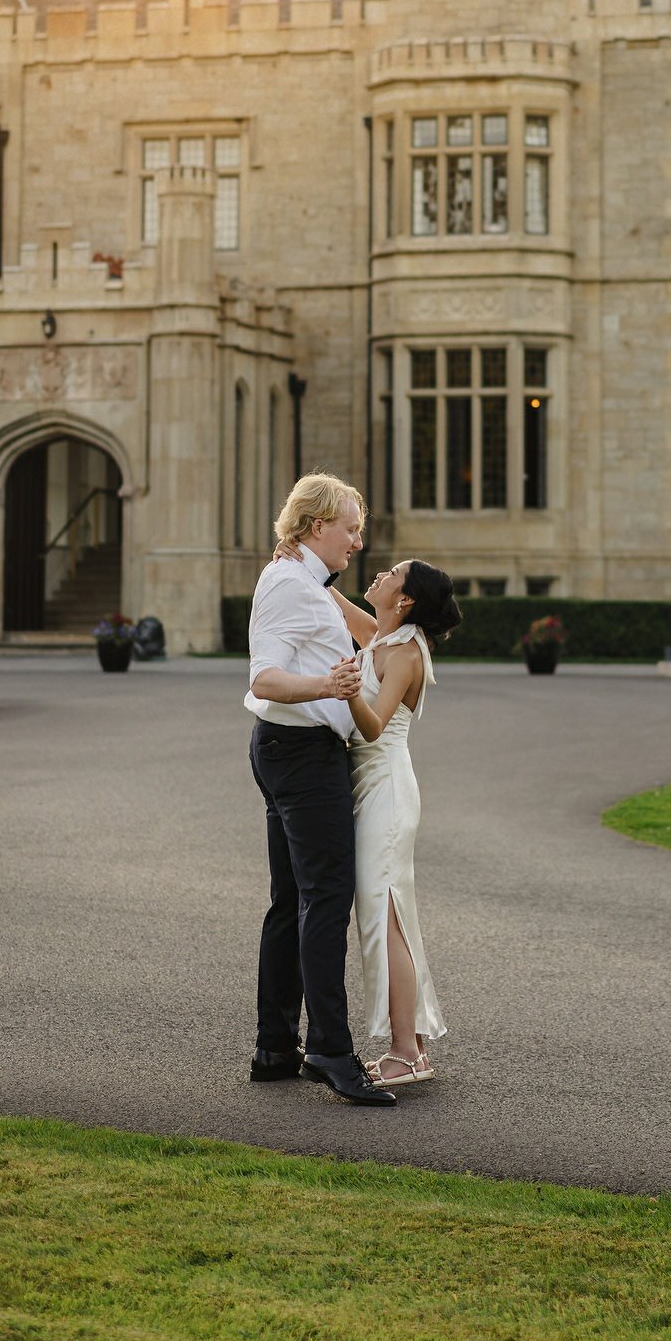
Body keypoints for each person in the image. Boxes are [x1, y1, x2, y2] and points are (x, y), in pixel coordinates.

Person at [243, 471, 395, 1107]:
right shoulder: (286, 583)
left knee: (292, 899)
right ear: (314, 526)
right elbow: (266, 680)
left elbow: (369, 636)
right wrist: (328, 690)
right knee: (325, 897)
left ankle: (276, 1047)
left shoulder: (304, 582)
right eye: (351, 528)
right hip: (300, 755)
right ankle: (331, 1049)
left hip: (292, 752)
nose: (358, 541)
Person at [328, 559, 461, 1085]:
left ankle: (405, 1053)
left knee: (385, 919)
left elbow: (376, 725)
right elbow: (354, 621)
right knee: (390, 917)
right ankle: (415, 1047)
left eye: (392, 573)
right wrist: (315, 578)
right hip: (371, 790)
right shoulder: (384, 638)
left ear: (404, 599)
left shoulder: (404, 653)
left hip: (386, 792)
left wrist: (347, 691)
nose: (380, 573)